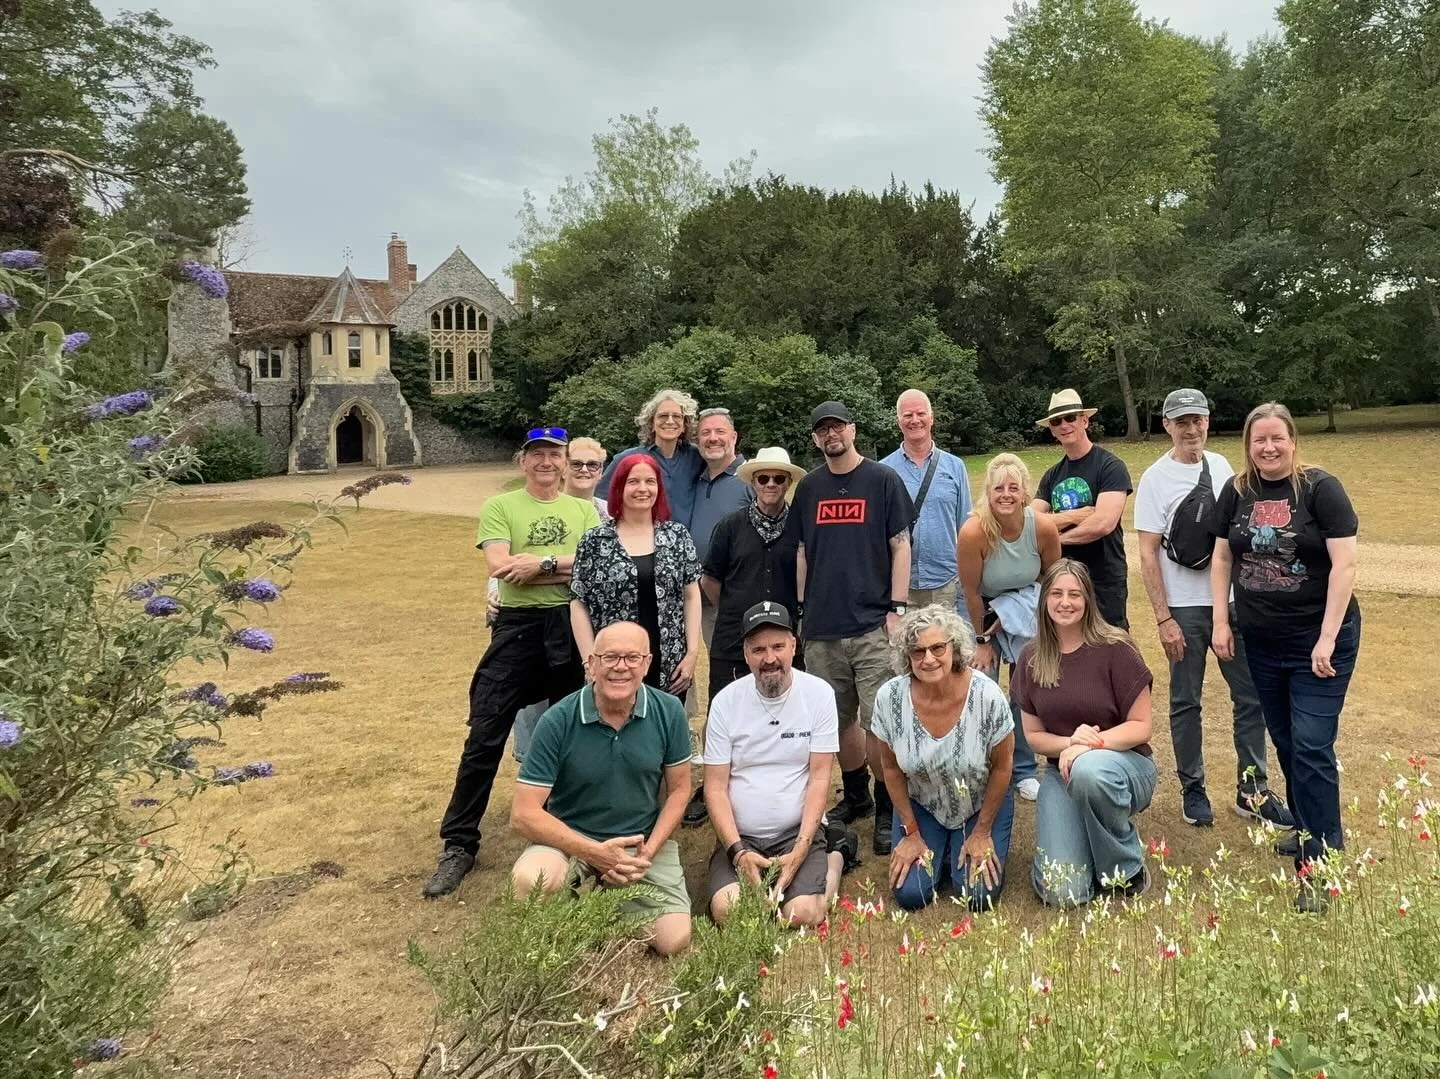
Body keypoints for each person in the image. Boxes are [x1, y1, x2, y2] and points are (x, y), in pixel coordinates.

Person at [424, 426, 601, 898]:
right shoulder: (501, 507)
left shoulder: (583, 509)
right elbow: (501, 568)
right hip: (517, 628)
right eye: (537, 454)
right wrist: (559, 566)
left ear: (564, 463)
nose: (547, 463)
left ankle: (572, 829)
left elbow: (594, 566)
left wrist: (538, 566)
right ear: (522, 461)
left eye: (555, 455)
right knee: (486, 734)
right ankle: (459, 843)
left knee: (578, 732)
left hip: (571, 625)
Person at [1210, 402, 1360, 913]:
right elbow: (1224, 555)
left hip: (1320, 641)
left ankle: (1322, 864)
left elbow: (1344, 565)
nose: (1268, 448)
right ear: (1248, 445)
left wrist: (1325, 636)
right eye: (1259, 440)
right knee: (1288, 742)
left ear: (1293, 440)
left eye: (1277, 438)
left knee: (1314, 744)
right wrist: (1220, 621)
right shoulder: (1237, 490)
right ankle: (1308, 826)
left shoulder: (1320, 488)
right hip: (1262, 640)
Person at [1135, 389, 1292, 831]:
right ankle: (1193, 788)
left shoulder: (1223, 467)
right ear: (1167, 425)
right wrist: (1163, 618)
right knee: (1187, 701)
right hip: (1183, 608)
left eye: (1198, 419)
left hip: (1231, 604)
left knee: (1251, 696)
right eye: (1181, 421)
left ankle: (1252, 788)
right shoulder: (1154, 479)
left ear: (1208, 421)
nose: (1191, 429)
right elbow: (1147, 554)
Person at [510, 622, 693, 955]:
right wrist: (595, 854)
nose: (620, 667)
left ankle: (594, 904)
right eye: (609, 657)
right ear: (591, 664)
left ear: (647, 663)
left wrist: (646, 855)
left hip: (640, 844)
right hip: (572, 842)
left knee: (674, 939)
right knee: (531, 878)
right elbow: (523, 814)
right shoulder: (558, 720)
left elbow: (680, 791)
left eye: (631, 657)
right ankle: (580, 905)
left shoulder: (669, 711)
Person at [792, 401, 914, 856]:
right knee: (837, 720)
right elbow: (803, 551)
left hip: (871, 623)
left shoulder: (881, 480)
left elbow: (901, 546)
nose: (831, 436)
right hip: (823, 625)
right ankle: (857, 794)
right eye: (822, 430)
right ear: (815, 439)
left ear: (852, 429)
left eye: (837, 427)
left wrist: (897, 608)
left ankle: (888, 806)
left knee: (878, 721)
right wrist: (802, 611)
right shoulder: (808, 488)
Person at [1013, 559, 1156, 908]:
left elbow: (1141, 727)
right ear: (1044, 599)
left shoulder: (1116, 648)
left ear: (1088, 599)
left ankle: (1124, 867)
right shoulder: (1031, 657)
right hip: (1061, 773)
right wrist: (1070, 744)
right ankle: (1082, 852)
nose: (1066, 602)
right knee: (1065, 893)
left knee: (1090, 772)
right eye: (1057, 593)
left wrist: (1089, 748)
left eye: (1075, 594)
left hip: (1123, 768)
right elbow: (1033, 736)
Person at [686, 446, 804, 829]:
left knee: (786, 709)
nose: (770, 484)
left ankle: (780, 785)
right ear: (753, 482)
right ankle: (713, 786)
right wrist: (736, 612)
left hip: (786, 637)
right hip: (734, 635)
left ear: (787, 483)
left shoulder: (800, 526)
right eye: (763, 478)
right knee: (723, 710)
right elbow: (711, 580)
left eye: (778, 478)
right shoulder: (731, 526)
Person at [704, 602, 842, 928]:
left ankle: (833, 860)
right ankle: (752, 869)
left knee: (803, 915)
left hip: (797, 832)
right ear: (746, 653)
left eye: (778, 646)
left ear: (794, 646)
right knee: (730, 913)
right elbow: (714, 787)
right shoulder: (725, 702)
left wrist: (801, 848)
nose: (769, 659)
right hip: (741, 836)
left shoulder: (819, 694)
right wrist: (737, 850)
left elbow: (820, 778)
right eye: (759, 649)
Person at [873, 606, 1016, 912]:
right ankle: (942, 848)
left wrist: (982, 831)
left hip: (980, 802)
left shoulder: (987, 696)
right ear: (906, 656)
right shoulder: (889, 698)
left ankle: (959, 847)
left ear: (954, 647)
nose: (928, 659)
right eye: (917, 651)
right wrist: (910, 833)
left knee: (977, 895)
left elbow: (1003, 767)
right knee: (912, 895)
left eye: (938, 648)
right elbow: (890, 768)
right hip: (922, 803)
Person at [957, 453, 1062, 803]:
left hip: (1026, 609)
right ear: (988, 492)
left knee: (1024, 691)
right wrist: (982, 639)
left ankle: (1023, 769)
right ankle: (980, 766)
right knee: (982, 689)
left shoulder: (1043, 527)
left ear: (1025, 493)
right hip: (981, 612)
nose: (1006, 495)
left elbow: (1053, 580)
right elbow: (971, 592)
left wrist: (1044, 626)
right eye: (998, 488)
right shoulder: (973, 531)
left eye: (1013, 488)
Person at [506, 435, 611, 763]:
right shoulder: (537, 506)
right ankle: (532, 776)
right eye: (576, 462)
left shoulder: (610, 514)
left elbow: (601, 570)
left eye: (591, 464)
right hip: (536, 617)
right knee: (533, 701)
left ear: (601, 470)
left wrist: (541, 566)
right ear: (565, 467)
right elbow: (510, 568)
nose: (583, 470)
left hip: (591, 619)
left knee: (583, 699)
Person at [571, 454, 702, 697]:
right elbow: (579, 602)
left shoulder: (677, 536)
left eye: (650, 482)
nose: (643, 489)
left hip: (669, 665)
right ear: (619, 487)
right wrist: (590, 661)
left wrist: (692, 653)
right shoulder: (595, 541)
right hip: (613, 665)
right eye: (633, 481)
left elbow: (692, 595)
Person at [1032, 389, 1133, 628]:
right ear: (1052, 429)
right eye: (1057, 421)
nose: (1064, 425)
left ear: (1084, 420)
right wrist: (1077, 515)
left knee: (1110, 647)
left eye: (1070, 418)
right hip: (1063, 582)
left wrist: (1054, 537)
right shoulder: (1052, 475)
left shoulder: (1110, 466)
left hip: (1103, 579)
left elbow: (1102, 523)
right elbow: (1029, 519)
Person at [880, 389, 971, 610]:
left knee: (947, 644)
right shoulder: (883, 471)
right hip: (899, 588)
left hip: (946, 584)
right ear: (898, 421)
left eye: (921, 414)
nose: (915, 420)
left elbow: (966, 527)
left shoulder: (954, 467)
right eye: (907, 415)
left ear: (932, 418)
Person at [599, 388, 705, 532]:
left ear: (684, 425)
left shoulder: (697, 456)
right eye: (663, 416)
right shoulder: (627, 459)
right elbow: (599, 501)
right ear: (651, 423)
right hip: (642, 543)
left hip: (684, 547)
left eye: (677, 416)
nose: (669, 421)